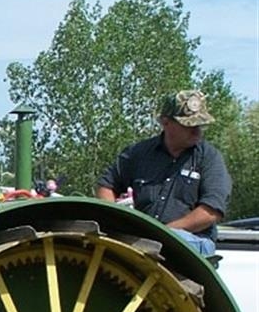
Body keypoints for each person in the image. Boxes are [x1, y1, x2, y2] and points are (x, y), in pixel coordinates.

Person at [95, 89, 232, 256]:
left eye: (199, 124)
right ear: (166, 122)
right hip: (144, 242)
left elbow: (211, 212)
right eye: (189, 125)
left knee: (173, 240)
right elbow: (106, 185)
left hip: (193, 243)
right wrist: (115, 218)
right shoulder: (139, 153)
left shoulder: (209, 158)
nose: (197, 130)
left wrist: (162, 233)